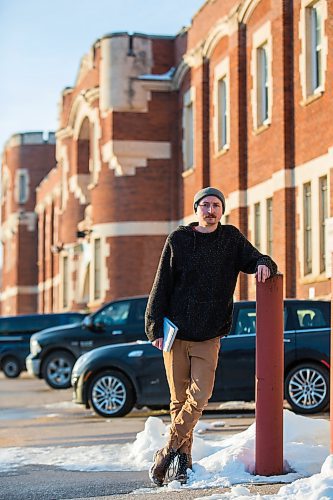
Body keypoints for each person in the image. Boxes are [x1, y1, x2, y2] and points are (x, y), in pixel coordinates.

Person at [145, 187, 277, 486]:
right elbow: (161, 283)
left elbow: (259, 258)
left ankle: (166, 451)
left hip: (209, 334)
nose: (210, 210)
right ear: (196, 209)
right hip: (175, 332)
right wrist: (154, 327)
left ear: (221, 210)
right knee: (178, 400)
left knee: (200, 396)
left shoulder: (230, 239)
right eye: (205, 204)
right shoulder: (178, 239)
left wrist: (264, 265)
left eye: (216, 205)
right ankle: (182, 463)